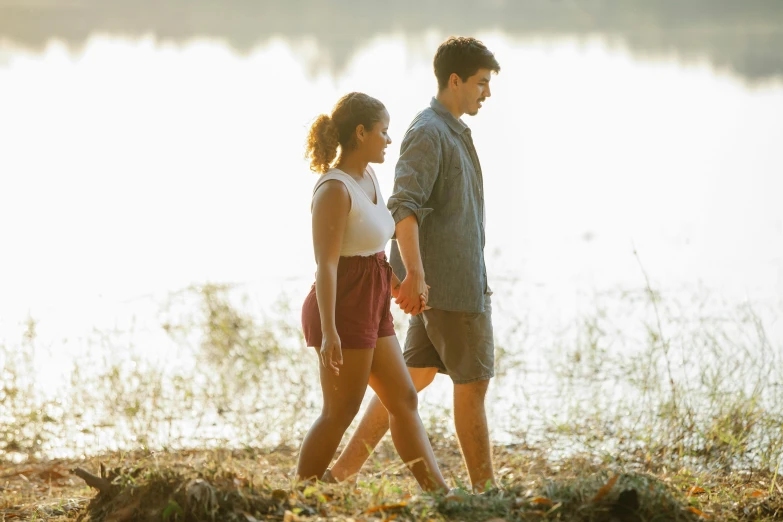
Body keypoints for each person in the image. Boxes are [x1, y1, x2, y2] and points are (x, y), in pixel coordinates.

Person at [324, 37, 502, 493]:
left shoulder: (452, 129)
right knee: (474, 382)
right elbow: (405, 206)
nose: (487, 93)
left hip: (438, 285)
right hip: (450, 289)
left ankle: (340, 473)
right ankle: (486, 494)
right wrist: (416, 275)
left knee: (410, 381)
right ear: (455, 80)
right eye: (481, 83)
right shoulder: (429, 131)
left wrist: (417, 278)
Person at [296, 92, 448, 493]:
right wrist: (329, 331)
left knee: (404, 399)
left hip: (371, 301)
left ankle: (441, 495)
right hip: (341, 307)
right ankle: (301, 496)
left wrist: (396, 286)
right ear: (360, 133)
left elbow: (373, 249)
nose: (388, 139)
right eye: (383, 132)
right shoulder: (333, 188)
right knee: (340, 411)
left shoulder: (369, 177)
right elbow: (328, 265)